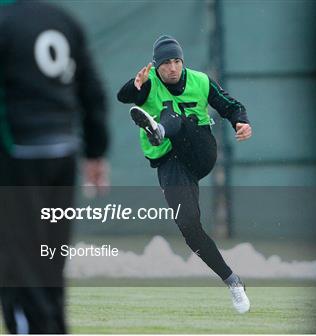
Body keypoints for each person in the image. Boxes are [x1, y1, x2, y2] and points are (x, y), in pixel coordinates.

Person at [117, 35, 252, 313]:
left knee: (173, 115)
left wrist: (242, 122)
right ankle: (233, 281)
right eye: (166, 62)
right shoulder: (150, 81)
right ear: (156, 66)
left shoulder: (200, 80)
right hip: (171, 161)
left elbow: (231, 105)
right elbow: (125, 96)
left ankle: (159, 130)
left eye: (177, 61)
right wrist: (136, 85)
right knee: (188, 226)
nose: (173, 67)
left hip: (199, 150)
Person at [0, 1, 109, 333]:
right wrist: (96, 152)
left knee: (18, 264)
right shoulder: (62, 20)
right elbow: (92, 91)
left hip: (17, 153)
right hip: (63, 153)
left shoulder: (4, 22)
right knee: (49, 259)